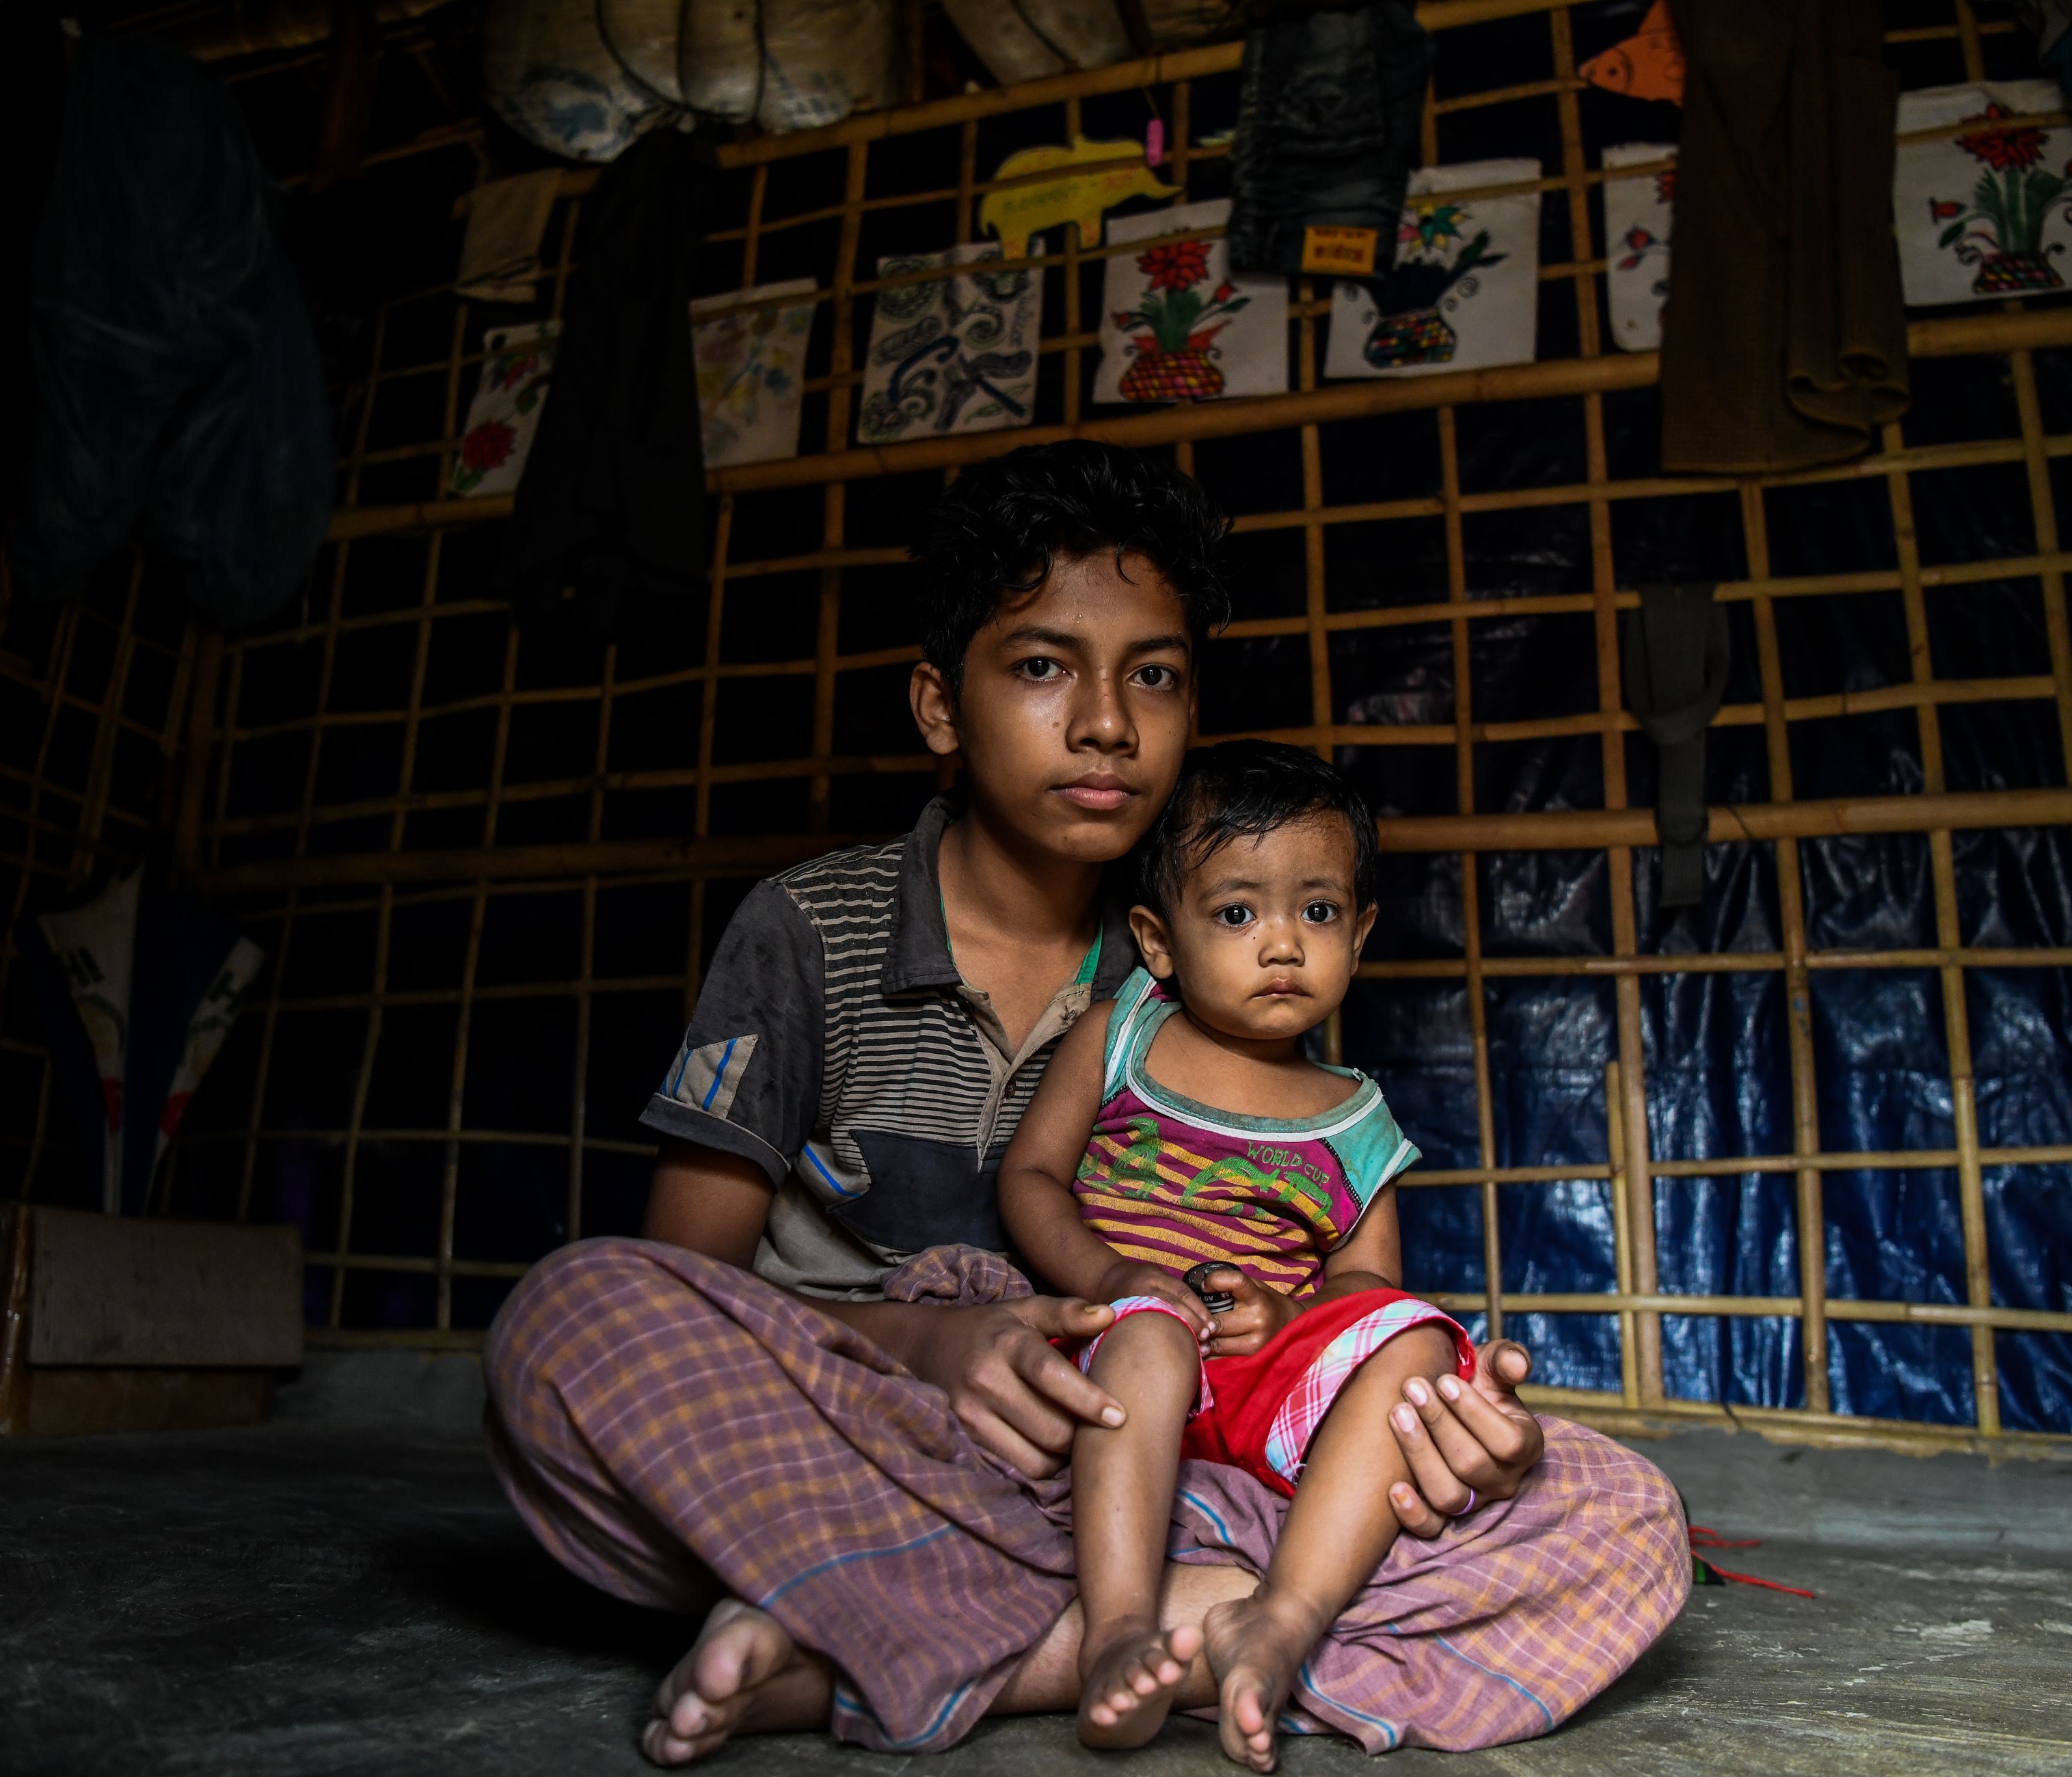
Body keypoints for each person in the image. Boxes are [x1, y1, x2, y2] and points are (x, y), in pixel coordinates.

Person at [481, 441, 1691, 1767]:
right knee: (566, 1325)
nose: (1108, 722)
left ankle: (889, 1643)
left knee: (1617, 1508)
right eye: (1045, 666)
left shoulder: (1205, 966)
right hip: (874, 1434)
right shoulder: (809, 932)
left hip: (1156, 1467)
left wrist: (1445, 1432)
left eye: (1155, 676)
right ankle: (1178, 1623)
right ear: (942, 706)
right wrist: (937, 1347)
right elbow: (684, 1286)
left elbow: (1317, 1315)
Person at [997, 741, 1473, 1769]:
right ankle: (1119, 1630)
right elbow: (1029, 1179)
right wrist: (1113, 1279)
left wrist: (1289, 1313)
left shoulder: (1357, 1120)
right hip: (1121, 1352)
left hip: (1263, 1392)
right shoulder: (1123, 1034)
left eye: (1318, 912)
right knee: (1155, 1333)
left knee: (1419, 1342)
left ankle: (1281, 1618)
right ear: (1157, 942)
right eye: (1236, 913)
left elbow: (1365, 1288)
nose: (1283, 947)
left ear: (1362, 932)